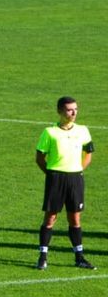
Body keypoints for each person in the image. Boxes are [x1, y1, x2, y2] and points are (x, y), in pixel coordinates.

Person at [36, 96, 95, 270]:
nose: (74, 112)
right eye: (70, 109)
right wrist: (51, 173)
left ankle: (79, 257)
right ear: (60, 111)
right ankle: (43, 256)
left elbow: (89, 153)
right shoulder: (49, 132)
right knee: (50, 217)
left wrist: (78, 169)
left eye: (76, 109)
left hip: (75, 178)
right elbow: (39, 158)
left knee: (75, 218)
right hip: (56, 178)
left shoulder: (83, 130)